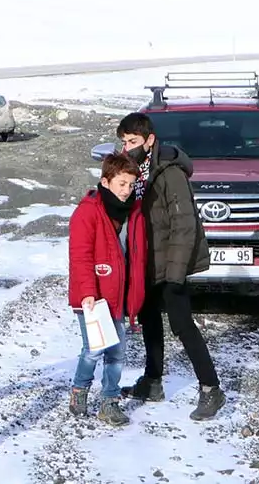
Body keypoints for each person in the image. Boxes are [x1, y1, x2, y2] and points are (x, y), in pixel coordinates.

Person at [115, 112, 225, 420]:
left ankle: (211, 389)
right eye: (124, 142)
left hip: (170, 263)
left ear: (149, 140)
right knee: (149, 320)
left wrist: (176, 274)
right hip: (146, 261)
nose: (128, 147)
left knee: (182, 325)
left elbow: (184, 225)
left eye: (133, 141)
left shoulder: (170, 172)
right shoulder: (137, 170)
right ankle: (153, 381)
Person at [67, 153, 147, 426]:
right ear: (105, 181)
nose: (126, 191)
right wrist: (88, 291)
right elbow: (80, 257)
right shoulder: (87, 212)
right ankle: (80, 390)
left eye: (130, 185)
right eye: (121, 184)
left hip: (117, 296)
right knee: (93, 349)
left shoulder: (133, 212)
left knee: (117, 351)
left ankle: (109, 402)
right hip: (92, 297)